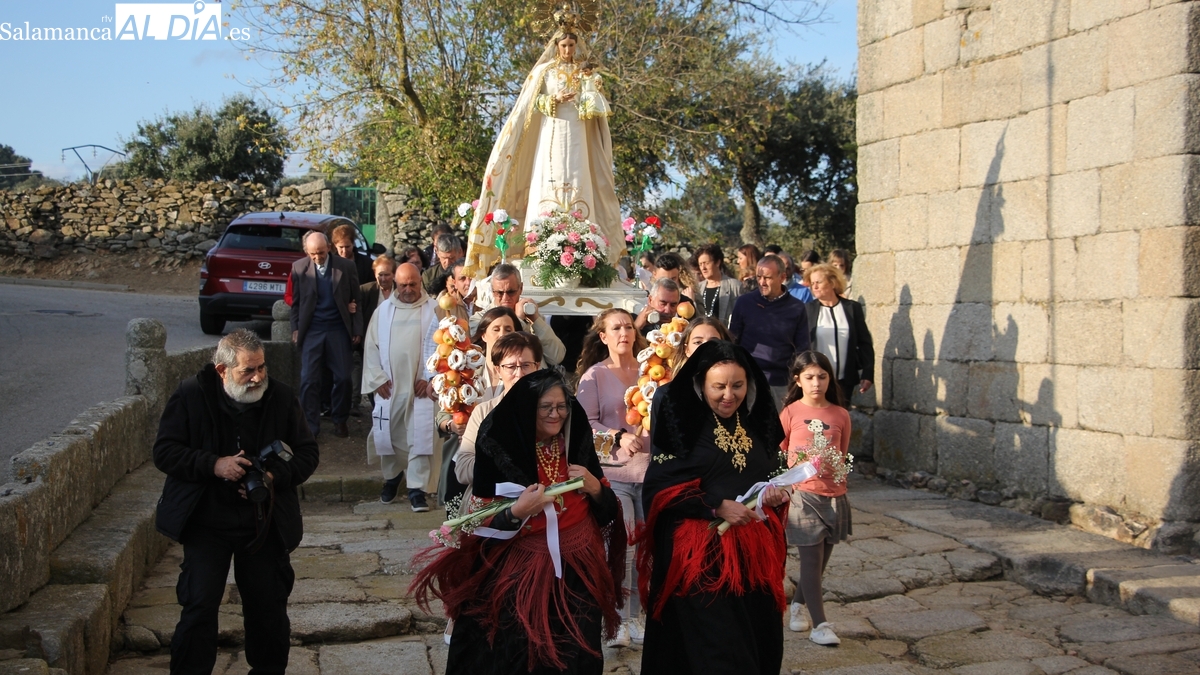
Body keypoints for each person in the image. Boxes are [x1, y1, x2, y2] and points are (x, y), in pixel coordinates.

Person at [412, 370, 624, 674]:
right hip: (518, 575)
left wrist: (595, 489)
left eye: (562, 406)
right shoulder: (502, 448)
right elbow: (478, 524)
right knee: (519, 652)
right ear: (527, 409)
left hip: (577, 572)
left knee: (575, 652)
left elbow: (606, 512)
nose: (556, 415)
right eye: (546, 407)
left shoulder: (575, 443)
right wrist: (517, 512)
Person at [152, 329, 319, 675]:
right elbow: (164, 451)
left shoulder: (282, 398)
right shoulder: (190, 395)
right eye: (247, 371)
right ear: (222, 371)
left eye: (261, 368)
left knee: (268, 609)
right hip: (206, 521)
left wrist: (273, 477)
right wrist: (213, 464)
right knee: (198, 606)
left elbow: (307, 454)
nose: (257, 377)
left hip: (263, 522)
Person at [638, 340, 789, 675]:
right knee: (717, 650)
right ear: (700, 384)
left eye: (737, 386)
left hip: (754, 556)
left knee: (754, 638)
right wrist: (715, 507)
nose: (728, 395)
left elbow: (770, 475)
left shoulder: (754, 422)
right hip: (702, 559)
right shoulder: (684, 425)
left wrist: (774, 496)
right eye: (718, 386)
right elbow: (661, 488)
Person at [463, 26, 624, 276]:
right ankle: (538, 245)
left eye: (572, 45)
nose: (568, 50)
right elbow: (529, 105)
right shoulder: (544, 71)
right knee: (549, 179)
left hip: (579, 136)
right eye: (563, 46)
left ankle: (587, 243)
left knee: (580, 179)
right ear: (556, 46)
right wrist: (553, 100)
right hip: (551, 135)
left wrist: (591, 91)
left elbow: (596, 106)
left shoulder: (585, 72)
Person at [575, 308, 650, 647]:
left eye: (628, 327)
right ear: (603, 336)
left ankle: (638, 614)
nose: (624, 332)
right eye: (616, 327)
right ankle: (617, 617)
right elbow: (584, 424)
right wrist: (619, 435)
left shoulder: (652, 370)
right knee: (623, 545)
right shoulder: (594, 375)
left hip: (652, 473)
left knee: (647, 548)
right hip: (615, 473)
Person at [779, 350, 852, 646]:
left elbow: (843, 451)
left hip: (835, 496)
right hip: (802, 496)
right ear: (798, 380)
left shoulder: (840, 414)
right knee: (810, 559)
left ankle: (796, 606)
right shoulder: (790, 412)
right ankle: (820, 625)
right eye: (809, 377)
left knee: (820, 564)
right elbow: (781, 452)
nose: (816, 383)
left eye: (822, 376)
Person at [362, 263, 442, 511]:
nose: (408, 289)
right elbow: (371, 348)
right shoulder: (383, 311)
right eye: (403, 285)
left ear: (421, 282)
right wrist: (377, 379)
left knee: (420, 436)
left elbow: (446, 349)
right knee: (389, 435)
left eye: (413, 284)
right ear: (395, 284)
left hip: (421, 390)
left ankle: (416, 489)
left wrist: (430, 379)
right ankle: (393, 477)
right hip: (392, 386)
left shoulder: (435, 310)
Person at [290, 231, 362, 438]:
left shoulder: (346, 267)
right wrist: (295, 328)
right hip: (312, 329)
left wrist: (356, 329)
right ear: (307, 252)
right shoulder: (299, 268)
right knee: (308, 380)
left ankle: (340, 418)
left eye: (321, 252)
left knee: (343, 378)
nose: (317, 257)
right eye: (312, 254)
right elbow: (296, 304)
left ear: (329, 248)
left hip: (338, 328)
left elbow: (356, 299)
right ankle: (310, 425)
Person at [729, 256, 810, 405]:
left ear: (782, 277)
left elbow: (802, 348)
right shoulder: (744, 303)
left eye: (767, 278)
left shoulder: (797, 308)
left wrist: (797, 379)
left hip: (782, 383)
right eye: (759, 277)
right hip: (749, 380)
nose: (761, 282)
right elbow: (733, 341)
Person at [804, 263, 874, 406]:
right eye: (812, 283)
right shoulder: (807, 310)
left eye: (819, 282)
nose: (814, 287)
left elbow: (864, 343)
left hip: (844, 380)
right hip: (816, 381)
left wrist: (868, 373)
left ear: (832, 282)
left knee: (840, 421)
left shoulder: (852, 308)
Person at [472, 263, 567, 366]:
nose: (505, 298)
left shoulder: (531, 318)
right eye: (499, 293)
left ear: (521, 288)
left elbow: (557, 357)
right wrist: (518, 321)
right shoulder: (479, 320)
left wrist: (535, 319)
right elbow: (503, 352)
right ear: (492, 291)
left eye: (511, 292)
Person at [470, 306, 522, 393]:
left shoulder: (521, 373)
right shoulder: (470, 372)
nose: (502, 335)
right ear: (484, 335)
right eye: (496, 330)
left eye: (508, 330)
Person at [691, 243, 743, 327]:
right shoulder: (698, 288)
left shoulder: (735, 286)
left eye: (706, 263)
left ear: (717, 262)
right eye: (700, 264)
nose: (703, 268)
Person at [668, 316, 733, 372]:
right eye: (698, 342)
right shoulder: (672, 386)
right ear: (686, 349)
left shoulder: (736, 383)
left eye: (713, 341)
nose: (705, 347)